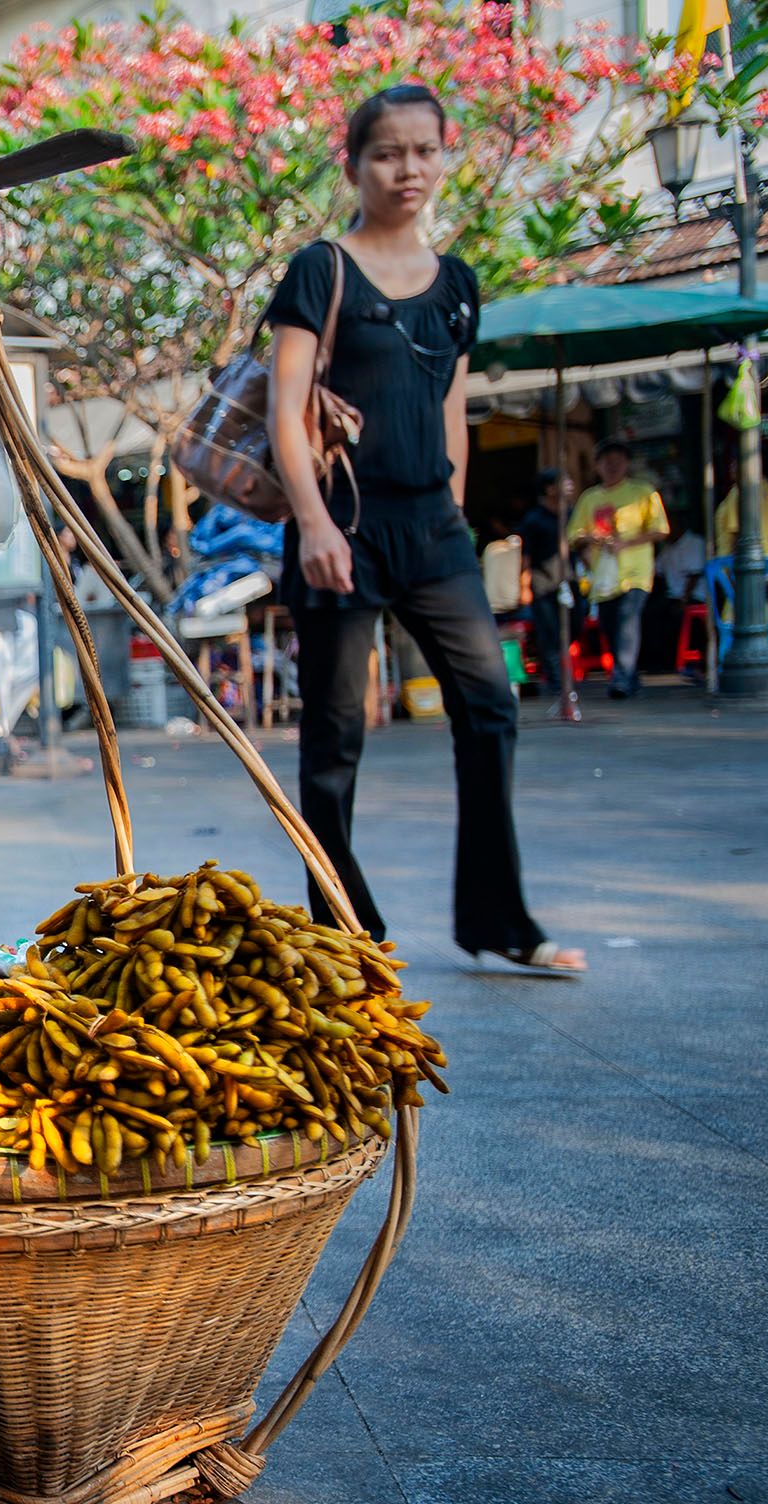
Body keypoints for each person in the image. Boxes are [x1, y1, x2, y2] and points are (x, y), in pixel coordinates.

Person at [266, 84, 583, 976]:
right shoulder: (320, 271)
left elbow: (453, 411)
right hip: (343, 527)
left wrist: (455, 516)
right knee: (333, 741)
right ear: (355, 165)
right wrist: (315, 523)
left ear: (444, 157)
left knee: (489, 704)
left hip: (432, 529)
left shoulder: (458, 286)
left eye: (425, 151)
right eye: (387, 153)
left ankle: (501, 920)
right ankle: (344, 934)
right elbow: (286, 412)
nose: (409, 169)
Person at [566, 440, 667, 699]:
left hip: (636, 572)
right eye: (606, 461)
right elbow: (573, 536)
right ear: (597, 466)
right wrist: (591, 538)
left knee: (627, 620)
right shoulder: (590, 498)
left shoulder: (642, 491)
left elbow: (660, 530)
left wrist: (628, 543)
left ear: (626, 464)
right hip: (604, 576)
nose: (612, 466)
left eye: (618, 461)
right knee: (610, 626)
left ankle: (620, 677)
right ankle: (629, 677)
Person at [513, 469, 579, 712]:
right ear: (549, 489)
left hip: (570, 581)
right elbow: (525, 556)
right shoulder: (534, 520)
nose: (570, 485)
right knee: (549, 634)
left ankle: (562, 675)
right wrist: (523, 585)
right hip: (542, 583)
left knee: (576, 623)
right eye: (564, 481)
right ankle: (555, 682)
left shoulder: (571, 515)